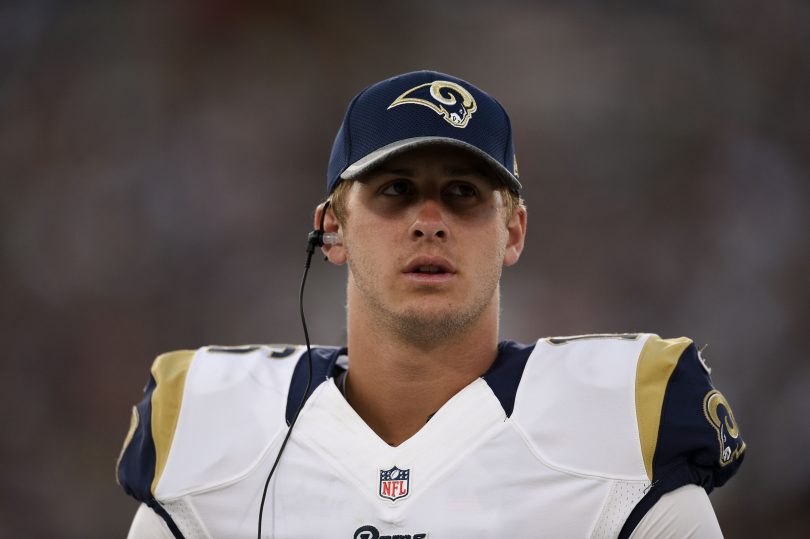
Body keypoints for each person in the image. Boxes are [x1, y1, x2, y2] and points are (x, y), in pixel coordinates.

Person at [117, 70, 745, 538]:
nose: (429, 221)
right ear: (331, 228)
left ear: (514, 232)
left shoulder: (619, 433)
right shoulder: (211, 433)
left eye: (464, 193)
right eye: (395, 190)